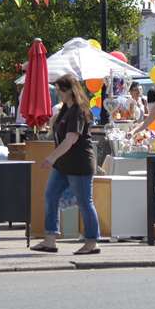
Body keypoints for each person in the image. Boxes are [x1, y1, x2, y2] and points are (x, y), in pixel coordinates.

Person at [35, 76, 100, 255]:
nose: (58, 94)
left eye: (60, 91)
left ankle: (92, 242)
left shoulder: (79, 110)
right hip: (63, 164)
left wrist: (51, 158)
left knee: (85, 203)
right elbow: (59, 132)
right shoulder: (65, 109)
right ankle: (50, 239)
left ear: (70, 90)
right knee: (51, 195)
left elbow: (71, 139)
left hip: (79, 164)